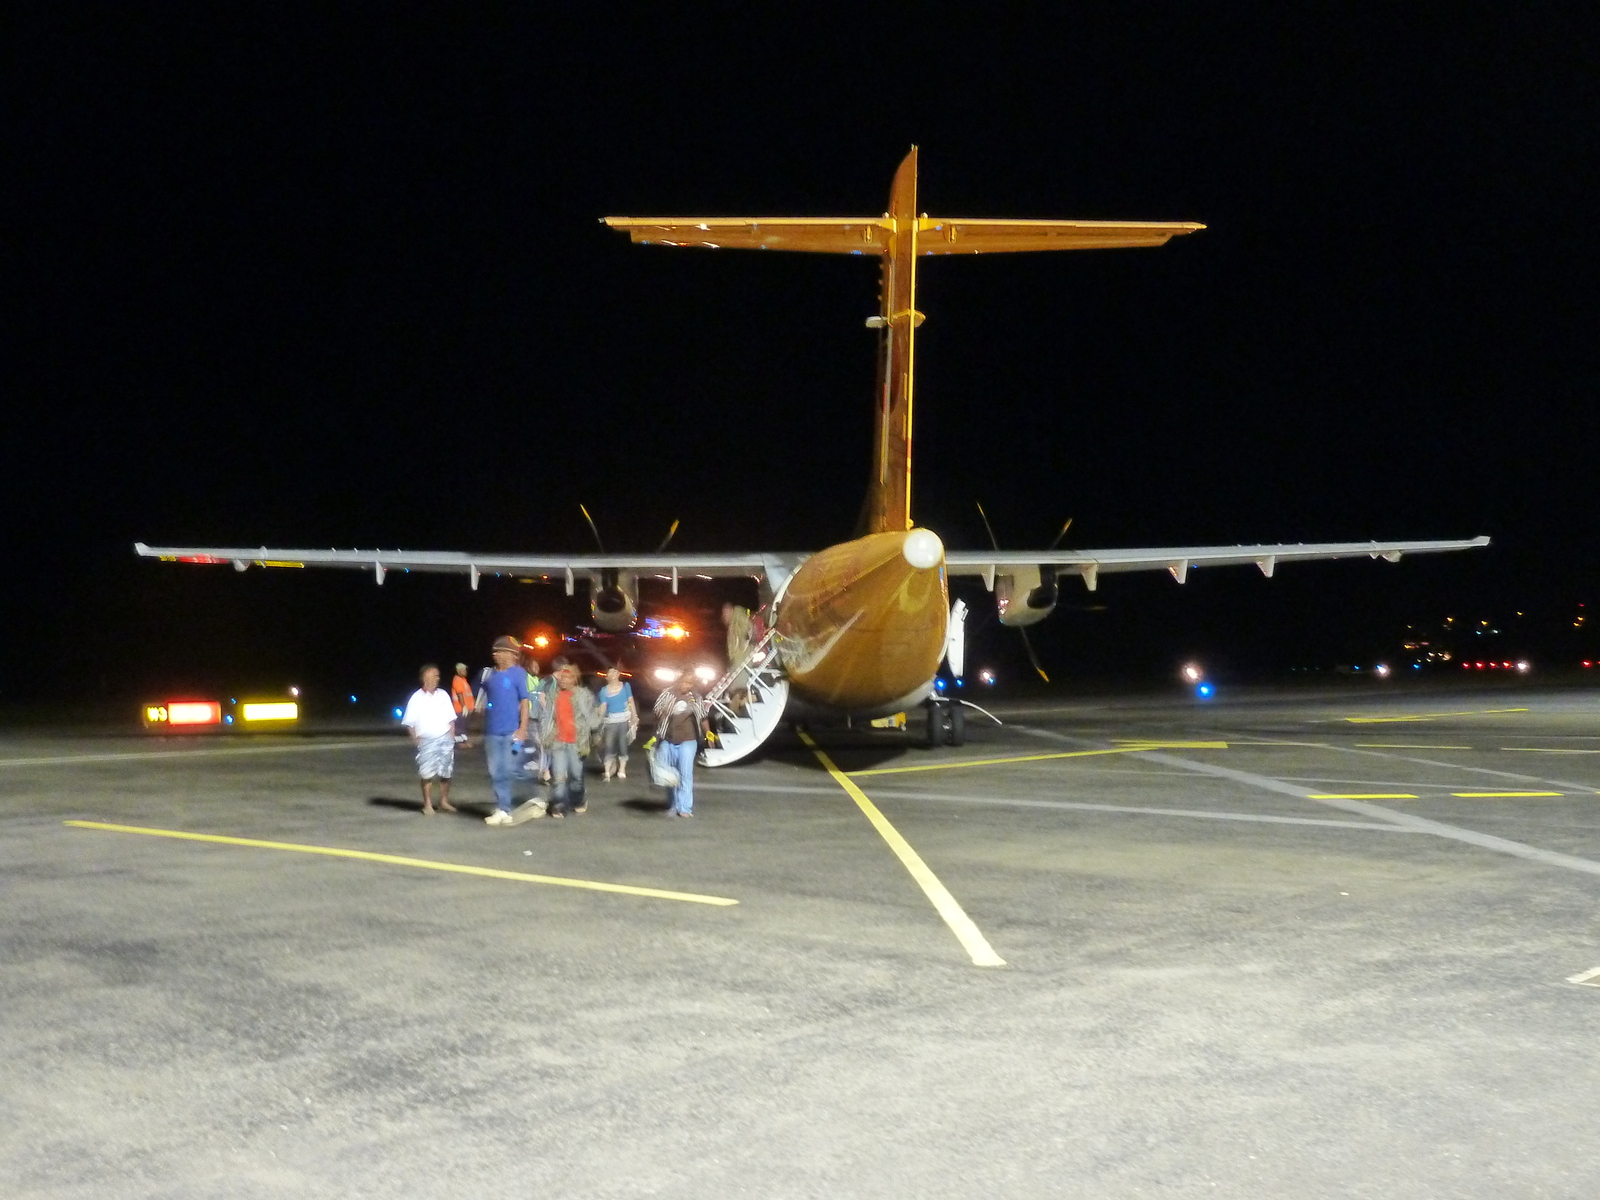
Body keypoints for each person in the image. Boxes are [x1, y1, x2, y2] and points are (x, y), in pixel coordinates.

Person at [479, 635, 532, 827]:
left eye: (499, 651)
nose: (495, 655)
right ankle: (503, 809)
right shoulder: (488, 675)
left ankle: (521, 800)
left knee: (508, 769)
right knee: (495, 771)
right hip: (492, 732)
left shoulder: (518, 674)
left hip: (511, 731)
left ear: (511, 654)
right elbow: (479, 696)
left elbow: (524, 702)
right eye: (494, 652)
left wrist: (523, 728)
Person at [539, 661, 600, 818]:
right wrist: (544, 736)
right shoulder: (554, 696)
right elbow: (547, 717)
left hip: (576, 743)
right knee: (558, 776)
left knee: (576, 776)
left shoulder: (583, 696)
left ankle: (578, 799)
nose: (563, 680)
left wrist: (596, 734)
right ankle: (559, 804)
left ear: (575, 679)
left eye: (567, 678)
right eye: (561, 677)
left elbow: (592, 717)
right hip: (558, 741)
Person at [401, 664, 459, 815]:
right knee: (427, 773)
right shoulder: (416, 698)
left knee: (446, 771)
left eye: (438, 676)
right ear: (424, 677)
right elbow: (409, 722)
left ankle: (444, 801)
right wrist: (416, 740)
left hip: (445, 738)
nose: (437, 679)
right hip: (426, 740)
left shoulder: (443, 695)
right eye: (434, 676)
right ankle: (427, 804)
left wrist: (452, 736)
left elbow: (451, 718)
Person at [653, 674, 708, 817]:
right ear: (679, 680)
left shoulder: (696, 697)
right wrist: (669, 710)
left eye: (690, 683)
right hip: (668, 739)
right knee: (670, 775)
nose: (686, 686)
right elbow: (657, 711)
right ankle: (673, 804)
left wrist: (708, 733)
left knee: (685, 774)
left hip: (688, 740)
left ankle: (685, 808)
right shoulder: (667, 693)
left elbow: (703, 716)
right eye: (684, 682)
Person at [597, 666, 638, 781]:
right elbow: (603, 707)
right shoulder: (604, 691)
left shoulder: (626, 686)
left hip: (624, 719)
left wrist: (634, 715)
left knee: (623, 744)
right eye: (610, 672)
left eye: (615, 672)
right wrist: (597, 720)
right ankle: (607, 771)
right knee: (609, 745)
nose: (613, 674)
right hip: (610, 721)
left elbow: (631, 701)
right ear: (607, 677)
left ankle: (622, 769)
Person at [449, 662, 475, 743]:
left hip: (465, 709)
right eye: (464, 670)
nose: (466, 672)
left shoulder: (463, 680)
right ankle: (460, 744)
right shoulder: (458, 680)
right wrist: (464, 706)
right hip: (460, 709)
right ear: (459, 671)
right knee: (461, 728)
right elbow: (459, 694)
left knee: (463, 727)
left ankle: (463, 742)